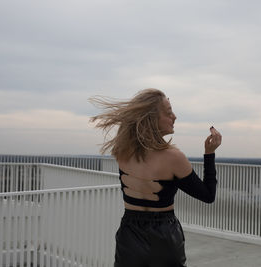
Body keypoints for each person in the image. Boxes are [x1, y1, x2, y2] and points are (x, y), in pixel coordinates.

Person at [89, 88, 222, 267]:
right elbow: (208, 195)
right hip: (164, 236)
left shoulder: (122, 151)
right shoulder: (174, 158)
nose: (174, 117)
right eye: (168, 112)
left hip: (130, 233)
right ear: (151, 119)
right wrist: (209, 153)